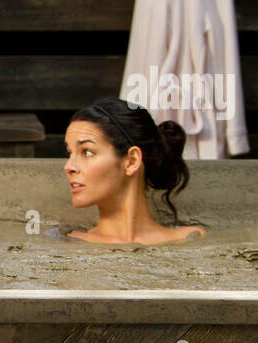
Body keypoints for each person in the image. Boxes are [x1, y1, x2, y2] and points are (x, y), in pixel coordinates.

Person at [63, 97, 205, 244]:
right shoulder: (71, 244)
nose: (68, 166)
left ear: (132, 161)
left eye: (87, 152)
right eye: (69, 153)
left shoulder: (192, 239)